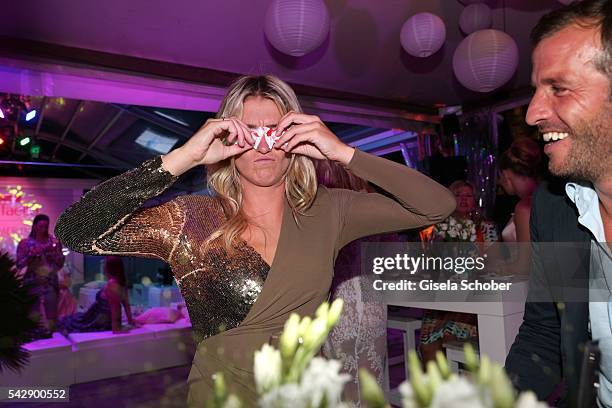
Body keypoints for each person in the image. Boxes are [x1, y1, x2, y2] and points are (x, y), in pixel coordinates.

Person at [55, 74, 455, 405]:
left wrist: (342, 152)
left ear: (297, 136)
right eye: (249, 132)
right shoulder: (190, 217)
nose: (263, 146)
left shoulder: (332, 210)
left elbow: (436, 205)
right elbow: (75, 230)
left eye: (276, 131)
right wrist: (183, 158)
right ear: (227, 138)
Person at [505, 1, 612, 406]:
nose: (532, 113)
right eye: (536, 89)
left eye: (559, 88)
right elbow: (545, 336)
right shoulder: (556, 205)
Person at [316, 159, 390, 405]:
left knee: (345, 393)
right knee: (370, 389)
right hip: (373, 301)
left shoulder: (327, 207)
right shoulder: (370, 204)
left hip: (341, 303)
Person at [419, 180, 496, 363]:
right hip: (443, 295)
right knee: (427, 345)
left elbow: (494, 260)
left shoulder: (484, 227)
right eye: (458, 195)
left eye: (468, 196)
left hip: (472, 296)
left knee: (449, 337)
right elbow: (430, 262)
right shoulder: (439, 227)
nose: (463, 199)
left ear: (474, 200)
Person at [57, 256, 136, 334]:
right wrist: (130, 321)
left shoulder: (112, 285)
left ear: (109, 268)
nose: (103, 267)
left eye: (105, 264)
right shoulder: (121, 284)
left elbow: (115, 308)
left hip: (95, 320)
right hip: (93, 317)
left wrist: (117, 327)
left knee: (66, 323)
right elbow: (126, 305)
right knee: (69, 319)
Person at [16, 214, 64, 335]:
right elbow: (19, 264)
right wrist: (32, 255)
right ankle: (35, 339)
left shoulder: (53, 242)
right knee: (33, 316)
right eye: (40, 226)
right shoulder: (25, 243)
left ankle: (53, 343)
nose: (43, 229)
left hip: (50, 282)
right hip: (33, 283)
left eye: (46, 226)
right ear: (34, 226)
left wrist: (56, 254)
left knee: (52, 314)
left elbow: (60, 264)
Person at [498, 138, 542, 244]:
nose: (499, 182)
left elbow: (526, 260)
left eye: (499, 176)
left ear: (506, 175)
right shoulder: (545, 197)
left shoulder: (525, 207)